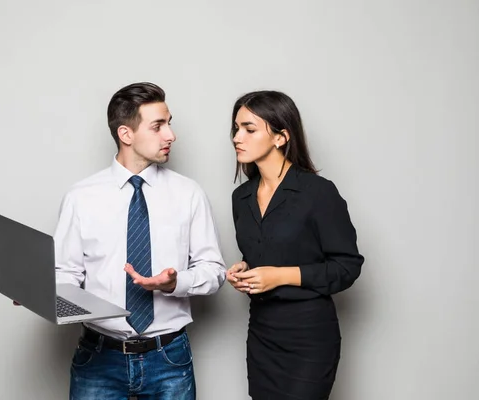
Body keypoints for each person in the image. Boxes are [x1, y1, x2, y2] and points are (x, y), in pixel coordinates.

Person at [53, 82, 226, 399]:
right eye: (158, 126)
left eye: (169, 123)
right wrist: (39, 292)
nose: (171, 135)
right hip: (99, 358)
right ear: (126, 134)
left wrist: (175, 283)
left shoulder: (189, 194)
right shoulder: (81, 197)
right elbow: (65, 274)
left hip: (169, 359)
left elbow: (214, 270)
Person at [227, 90, 364, 400]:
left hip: (309, 337)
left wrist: (279, 276)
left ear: (280, 137)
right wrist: (245, 270)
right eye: (236, 128)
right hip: (262, 333)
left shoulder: (318, 193)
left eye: (249, 129)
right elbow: (266, 253)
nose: (237, 137)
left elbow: (347, 266)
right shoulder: (241, 198)